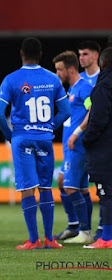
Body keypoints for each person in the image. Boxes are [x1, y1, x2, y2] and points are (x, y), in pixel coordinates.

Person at [0, 37, 71, 250]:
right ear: (41, 54)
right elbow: (66, 111)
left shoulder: (11, 79)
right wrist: (50, 127)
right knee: (46, 187)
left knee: (28, 188)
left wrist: (10, 135)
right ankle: (50, 239)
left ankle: (33, 240)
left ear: (21, 54)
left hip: (22, 139)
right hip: (45, 139)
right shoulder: (53, 79)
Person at [52, 51, 93, 244]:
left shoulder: (84, 88)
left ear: (70, 69)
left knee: (69, 187)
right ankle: (76, 227)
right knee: (76, 187)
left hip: (78, 145)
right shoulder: (72, 89)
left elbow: (92, 110)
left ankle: (84, 230)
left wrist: (77, 132)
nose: (58, 73)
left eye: (60, 70)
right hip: (71, 146)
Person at [82, 47, 112, 249]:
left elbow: (98, 119)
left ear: (102, 63)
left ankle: (107, 238)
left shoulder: (102, 88)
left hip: (105, 149)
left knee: (107, 193)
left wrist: (86, 138)